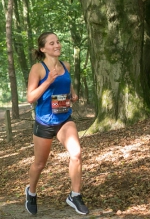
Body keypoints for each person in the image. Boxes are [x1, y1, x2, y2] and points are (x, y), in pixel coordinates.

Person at [25, 32, 89, 216]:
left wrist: (73, 94)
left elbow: (67, 85)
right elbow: (31, 98)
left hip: (64, 119)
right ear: (43, 49)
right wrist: (49, 81)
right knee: (39, 163)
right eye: (52, 43)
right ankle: (31, 192)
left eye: (58, 42)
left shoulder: (65, 65)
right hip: (44, 121)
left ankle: (75, 195)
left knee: (76, 154)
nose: (57, 45)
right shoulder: (38, 69)